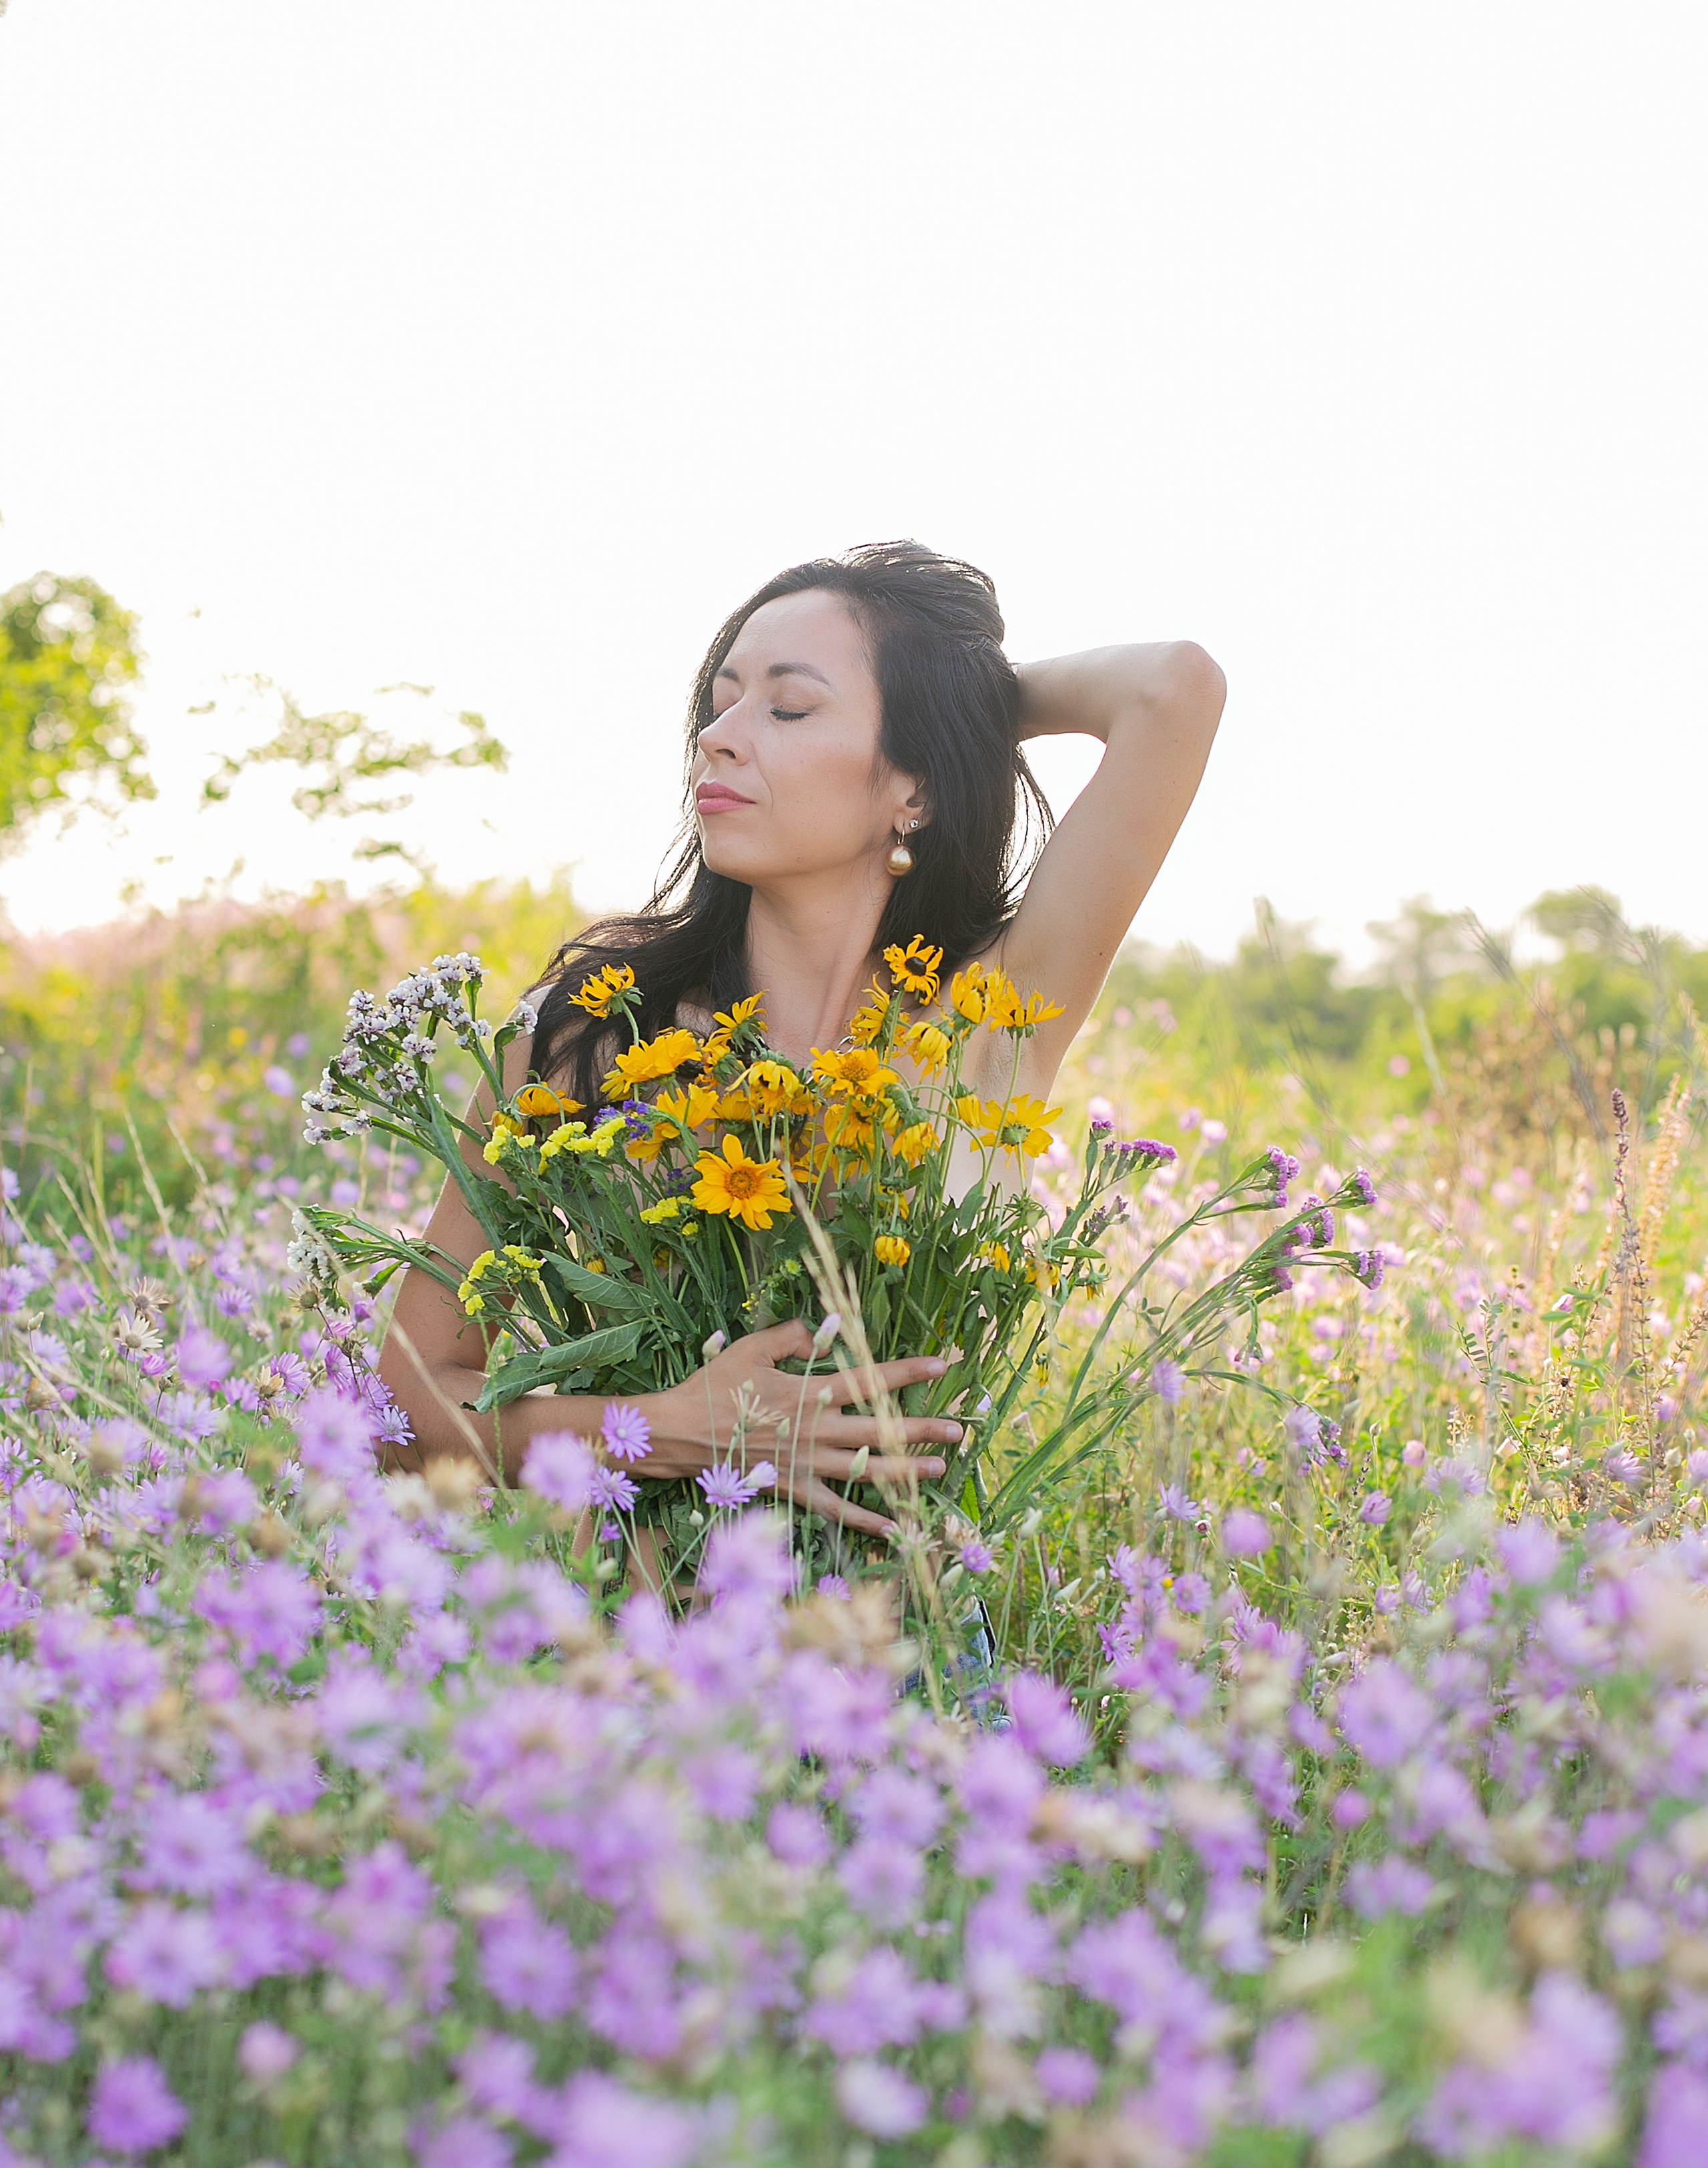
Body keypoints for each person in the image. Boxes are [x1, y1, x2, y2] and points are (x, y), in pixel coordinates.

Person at [378, 540, 1224, 1540]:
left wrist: (960, 703)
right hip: (650, 1657)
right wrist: (667, 1426)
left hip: (921, 1667)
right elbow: (402, 1405)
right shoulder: (593, 1032)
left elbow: (1174, 689)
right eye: (719, 705)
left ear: (914, 785)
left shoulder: (989, 1014)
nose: (720, 740)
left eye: (786, 708)